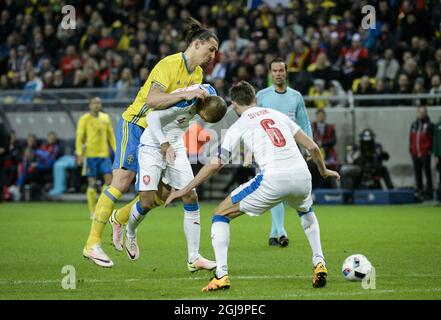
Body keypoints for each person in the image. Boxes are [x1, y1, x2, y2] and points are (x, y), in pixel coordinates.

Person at [165, 81, 339, 291]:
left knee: (220, 214)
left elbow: (215, 164)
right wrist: (323, 170)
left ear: (234, 104)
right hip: (302, 176)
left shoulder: (239, 125)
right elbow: (311, 146)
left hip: (273, 178)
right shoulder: (277, 115)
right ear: (255, 99)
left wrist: (185, 189)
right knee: (305, 211)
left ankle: (221, 275)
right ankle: (319, 261)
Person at [83, 17, 219, 268]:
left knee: (163, 194)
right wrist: (187, 93)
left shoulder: (198, 73)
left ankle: (121, 219)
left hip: (163, 134)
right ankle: (92, 243)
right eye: (211, 49)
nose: (213, 56)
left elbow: (179, 108)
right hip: (138, 123)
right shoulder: (168, 64)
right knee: (121, 181)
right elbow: (154, 101)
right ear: (197, 44)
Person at [123, 84, 227, 269]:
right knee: (146, 202)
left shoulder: (209, 95)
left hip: (176, 145)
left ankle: (194, 258)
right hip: (153, 145)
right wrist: (164, 145)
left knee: (190, 195)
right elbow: (152, 117)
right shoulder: (184, 104)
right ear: (201, 107)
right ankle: (130, 231)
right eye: (202, 117)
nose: (201, 119)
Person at [256, 57, 312, 248]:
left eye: (281, 70)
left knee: (280, 191)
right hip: (267, 150)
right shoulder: (262, 96)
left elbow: (304, 123)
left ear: (286, 72)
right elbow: (253, 123)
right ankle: (281, 232)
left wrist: (309, 147)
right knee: (275, 189)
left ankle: (275, 233)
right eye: (275, 71)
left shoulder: (296, 96)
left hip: (291, 151)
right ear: (270, 73)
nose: (278, 74)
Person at [75, 97, 116, 219]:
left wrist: (116, 151)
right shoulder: (84, 119)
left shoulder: (105, 118)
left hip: (104, 155)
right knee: (92, 184)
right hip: (90, 156)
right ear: (90, 105)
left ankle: (101, 208)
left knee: (108, 182)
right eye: (94, 103)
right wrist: (79, 154)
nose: (97, 105)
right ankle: (93, 212)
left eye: (99, 103)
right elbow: (79, 137)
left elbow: (111, 136)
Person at [409, 106, 434, 201]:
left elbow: (432, 139)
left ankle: (429, 193)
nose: (421, 114)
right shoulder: (414, 125)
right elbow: (411, 138)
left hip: (425, 153)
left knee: (427, 173)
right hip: (415, 153)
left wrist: (429, 150)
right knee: (417, 173)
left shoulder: (430, 125)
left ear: (426, 113)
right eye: (419, 112)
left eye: (423, 112)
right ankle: (419, 192)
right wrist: (411, 149)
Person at [311, 109, 338, 188]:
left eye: (322, 116)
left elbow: (333, 140)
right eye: (319, 116)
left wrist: (322, 144)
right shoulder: (312, 127)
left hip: (328, 153)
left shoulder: (330, 128)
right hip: (316, 153)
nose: (320, 118)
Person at [433, 116, 441, 205]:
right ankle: (439, 198)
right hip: (440, 156)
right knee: (439, 179)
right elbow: (435, 141)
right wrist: (436, 155)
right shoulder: (438, 125)